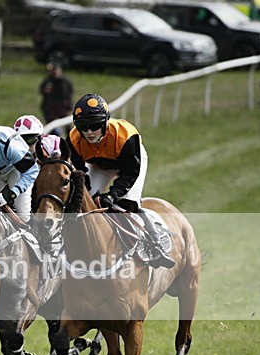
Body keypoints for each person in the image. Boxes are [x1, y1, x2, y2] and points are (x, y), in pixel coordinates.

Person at [67, 93, 174, 269]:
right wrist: (88, 191)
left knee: (127, 204)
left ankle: (155, 243)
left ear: (105, 122)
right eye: (83, 127)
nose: (89, 132)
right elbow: (80, 172)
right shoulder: (73, 139)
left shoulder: (125, 135)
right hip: (98, 165)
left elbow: (131, 173)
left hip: (130, 164)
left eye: (94, 126)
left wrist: (113, 195)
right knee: (85, 204)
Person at [39, 63, 74, 136]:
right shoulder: (48, 81)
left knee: (67, 125)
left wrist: (69, 106)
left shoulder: (65, 81)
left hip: (63, 107)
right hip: (50, 107)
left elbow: (69, 94)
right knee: (51, 125)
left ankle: (71, 138)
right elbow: (42, 91)